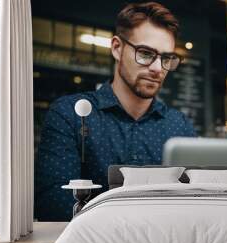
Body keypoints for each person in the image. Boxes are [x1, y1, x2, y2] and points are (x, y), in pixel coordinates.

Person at [35, 2, 196, 221]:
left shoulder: (181, 126)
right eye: (146, 53)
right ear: (117, 48)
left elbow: (194, 203)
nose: (158, 68)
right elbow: (54, 204)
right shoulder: (70, 115)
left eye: (166, 58)